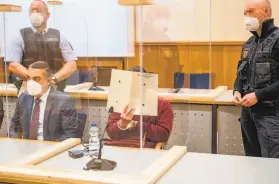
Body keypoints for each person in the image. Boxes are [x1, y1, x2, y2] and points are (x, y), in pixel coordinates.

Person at [233, 0, 279, 158]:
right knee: (252, 161)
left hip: (271, 115)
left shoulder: (278, 40)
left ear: (266, 12)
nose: (247, 16)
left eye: (251, 11)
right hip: (247, 114)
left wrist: (259, 95)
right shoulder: (248, 44)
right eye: (245, 13)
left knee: (271, 166)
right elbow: (240, 74)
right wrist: (237, 90)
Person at [5, 0, 77, 92]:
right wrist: (36, 80)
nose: (34, 14)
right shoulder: (19, 36)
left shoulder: (59, 36)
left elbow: (71, 64)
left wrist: (52, 79)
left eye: (38, 10)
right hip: (28, 89)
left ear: (47, 15)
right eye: (32, 11)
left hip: (54, 89)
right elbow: (13, 65)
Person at [105, 66, 173, 148]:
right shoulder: (121, 101)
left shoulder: (162, 104)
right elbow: (110, 132)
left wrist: (135, 124)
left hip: (144, 148)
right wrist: (122, 124)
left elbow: (163, 135)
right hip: (117, 146)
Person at [9, 61, 78, 141]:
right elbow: (14, 127)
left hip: (52, 149)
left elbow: (69, 135)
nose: (31, 82)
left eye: (36, 78)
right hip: (26, 148)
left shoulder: (64, 101)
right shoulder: (24, 98)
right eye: (28, 78)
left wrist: (49, 149)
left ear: (48, 81)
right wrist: (16, 143)